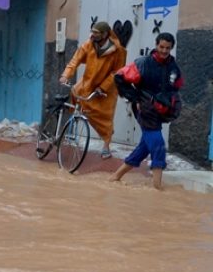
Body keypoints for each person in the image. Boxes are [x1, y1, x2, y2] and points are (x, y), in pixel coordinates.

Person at [109, 32, 183, 190]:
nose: (164, 51)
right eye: (161, 47)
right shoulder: (143, 63)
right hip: (145, 109)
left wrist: (171, 105)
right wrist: (135, 99)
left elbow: (177, 87)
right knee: (158, 145)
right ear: (156, 45)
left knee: (145, 146)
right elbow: (120, 77)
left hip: (161, 112)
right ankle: (157, 188)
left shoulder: (173, 67)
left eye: (167, 48)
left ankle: (115, 177)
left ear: (171, 48)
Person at [59, 21, 127, 159]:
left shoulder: (118, 51)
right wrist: (65, 75)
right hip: (88, 83)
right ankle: (72, 125)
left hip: (106, 88)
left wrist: (102, 87)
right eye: (92, 32)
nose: (92, 35)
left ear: (105, 34)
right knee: (74, 92)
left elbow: (117, 72)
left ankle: (106, 145)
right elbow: (75, 60)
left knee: (104, 118)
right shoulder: (88, 45)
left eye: (96, 33)